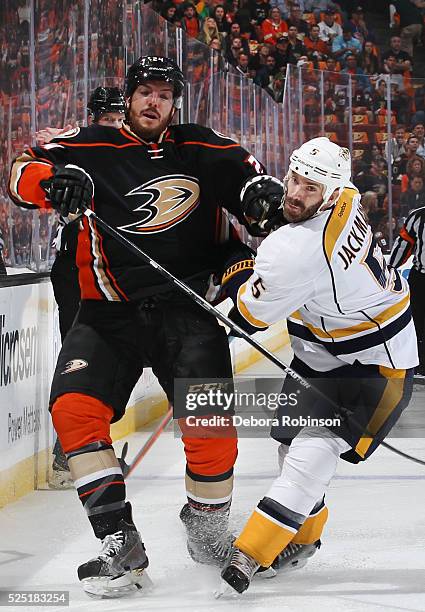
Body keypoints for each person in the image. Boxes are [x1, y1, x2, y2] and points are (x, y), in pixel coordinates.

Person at [8, 56, 283, 598]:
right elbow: (20, 173)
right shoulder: (87, 145)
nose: (153, 102)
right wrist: (50, 182)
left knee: (212, 438)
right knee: (72, 409)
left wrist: (262, 198)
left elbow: (253, 187)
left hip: (188, 313)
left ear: (174, 102)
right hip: (108, 312)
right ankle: (119, 543)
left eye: (164, 93)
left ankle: (206, 529)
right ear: (129, 98)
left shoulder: (200, 146)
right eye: (144, 92)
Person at [216, 137, 418, 594]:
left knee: (312, 454)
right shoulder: (344, 195)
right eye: (294, 179)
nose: (294, 192)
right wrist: (278, 222)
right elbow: (296, 235)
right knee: (289, 443)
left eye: (309, 187)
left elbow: (246, 316)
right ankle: (302, 540)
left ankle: (249, 554)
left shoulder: (300, 251)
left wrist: (234, 270)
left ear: (328, 193)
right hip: (323, 351)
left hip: (375, 365)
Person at [46, 87, 127, 490]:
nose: (113, 125)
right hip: (75, 263)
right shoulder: (78, 147)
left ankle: (92, 444)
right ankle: (70, 450)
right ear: (94, 117)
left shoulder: (130, 152)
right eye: (107, 119)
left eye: (118, 118)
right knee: (78, 350)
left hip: (107, 263)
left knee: (111, 355)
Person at [389, 206, 425, 378]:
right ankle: (419, 364)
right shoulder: (418, 216)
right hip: (421, 279)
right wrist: (389, 269)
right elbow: (404, 245)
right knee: (416, 322)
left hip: (420, 277)